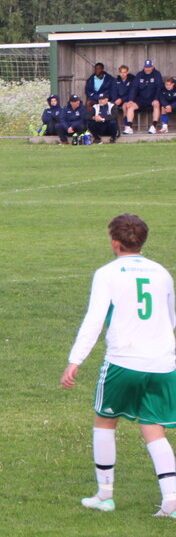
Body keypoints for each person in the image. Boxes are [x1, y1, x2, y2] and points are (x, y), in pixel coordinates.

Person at [61, 214, 176, 517]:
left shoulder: (107, 273)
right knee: (154, 429)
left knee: (105, 421)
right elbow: (170, 318)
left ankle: (105, 495)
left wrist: (75, 360)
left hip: (124, 361)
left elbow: (94, 319)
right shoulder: (162, 273)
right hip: (163, 364)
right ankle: (171, 500)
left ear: (114, 242)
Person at [135, 59, 164, 133]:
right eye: (146, 67)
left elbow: (159, 88)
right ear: (144, 67)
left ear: (152, 67)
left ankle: (153, 126)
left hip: (152, 98)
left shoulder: (157, 74)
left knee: (156, 104)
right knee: (129, 105)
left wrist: (156, 99)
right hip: (141, 99)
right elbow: (134, 88)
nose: (147, 69)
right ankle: (128, 127)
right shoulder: (139, 75)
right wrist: (130, 100)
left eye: (149, 67)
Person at [110, 65, 139, 134]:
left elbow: (131, 93)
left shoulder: (132, 80)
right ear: (119, 73)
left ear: (127, 72)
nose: (123, 74)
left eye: (124, 72)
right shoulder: (116, 81)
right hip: (117, 100)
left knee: (125, 106)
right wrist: (115, 100)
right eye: (121, 72)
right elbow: (113, 92)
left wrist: (122, 99)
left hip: (127, 100)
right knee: (109, 106)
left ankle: (127, 126)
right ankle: (111, 129)